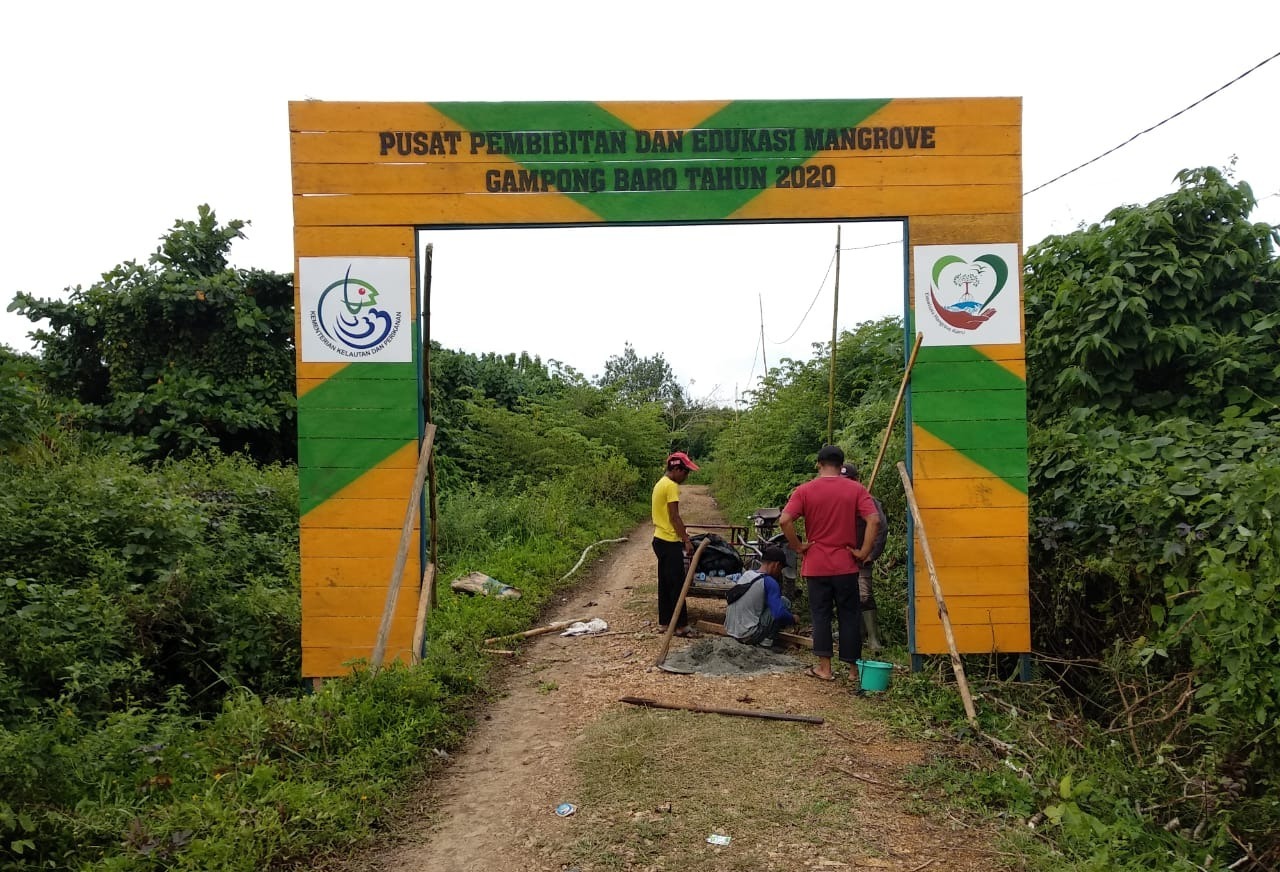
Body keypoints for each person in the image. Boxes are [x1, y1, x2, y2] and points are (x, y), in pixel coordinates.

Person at [780, 444, 881, 684]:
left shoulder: (805, 490)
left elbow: (785, 520)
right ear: (841, 464)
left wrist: (798, 546)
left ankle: (825, 668)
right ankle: (853, 670)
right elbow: (874, 520)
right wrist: (864, 551)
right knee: (849, 615)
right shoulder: (856, 489)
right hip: (846, 564)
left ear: (819, 464)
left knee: (821, 615)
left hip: (816, 564)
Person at [652, 451, 700, 637]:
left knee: (665, 583)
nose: (686, 477)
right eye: (685, 472)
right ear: (676, 469)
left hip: (659, 539)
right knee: (677, 584)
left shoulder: (660, 483)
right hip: (670, 541)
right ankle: (680, 626)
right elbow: (674, 517)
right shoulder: (671, 486)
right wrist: (686, 540)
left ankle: (665, 622)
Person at [840, 462, 886, 653]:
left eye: (849, 480)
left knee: (865, 595)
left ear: (856, 480)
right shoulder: (838, 500)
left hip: (862, 557)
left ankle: (873, 638)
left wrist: (872, 554)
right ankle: (852, 632)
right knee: (844, 595)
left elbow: (881, 528)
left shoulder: (869, 501)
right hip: (841, 558)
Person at [724, 545, 796, 647]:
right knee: (784, 602)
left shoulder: (748, 574)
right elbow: (778, 613)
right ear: (776, 565)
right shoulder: (769, 582)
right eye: (780, 568)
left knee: (774, 603)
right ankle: (767, 640)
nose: (780, 572)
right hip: (750, 634)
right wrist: (792, 619)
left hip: (731, 631)